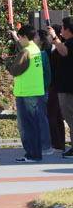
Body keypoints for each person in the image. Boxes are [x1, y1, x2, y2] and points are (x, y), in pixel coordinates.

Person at [4, 24, 45, 163]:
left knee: (27, 126)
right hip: (36, 90)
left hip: (26, 92)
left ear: (26, 37)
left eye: (20, 37)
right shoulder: (35, 49)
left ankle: (32, 154)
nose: (19, 40)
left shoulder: (26, 52)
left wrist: (7, 62)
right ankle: (36, 153)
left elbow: (15, 70)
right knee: (34, 124)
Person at [48, 16, 73, 157]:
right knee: (69, 118)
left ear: (68, 29)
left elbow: (64, 51)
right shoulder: (67, 42)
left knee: (70, 117)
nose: (61, 30)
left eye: (63, 27)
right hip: (64, 87)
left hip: (68, 88)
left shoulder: (70, 43)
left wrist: (54, 38)